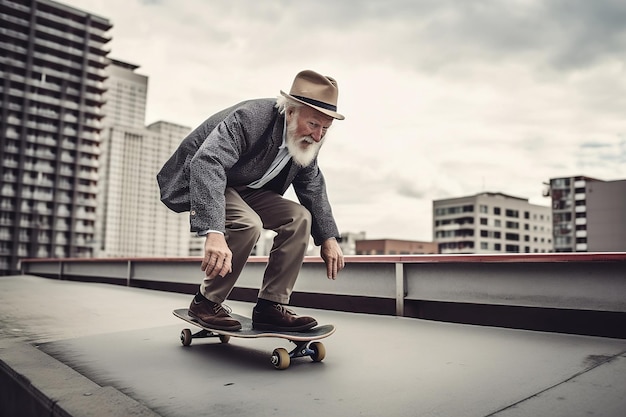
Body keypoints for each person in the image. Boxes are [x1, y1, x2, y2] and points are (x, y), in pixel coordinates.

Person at [157, 70, 345, 332]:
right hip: (208, 177)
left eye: (326, 128)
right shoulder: (251, 118)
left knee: (299, 218)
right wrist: (214, 231)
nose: (318, 136)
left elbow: (311, 182)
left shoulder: (311, 137)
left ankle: (271, 306)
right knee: (248, 224)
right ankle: (206, 302)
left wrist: (328, 238)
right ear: (290, 112)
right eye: (314, 125)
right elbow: (207, 162)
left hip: (248, 187)